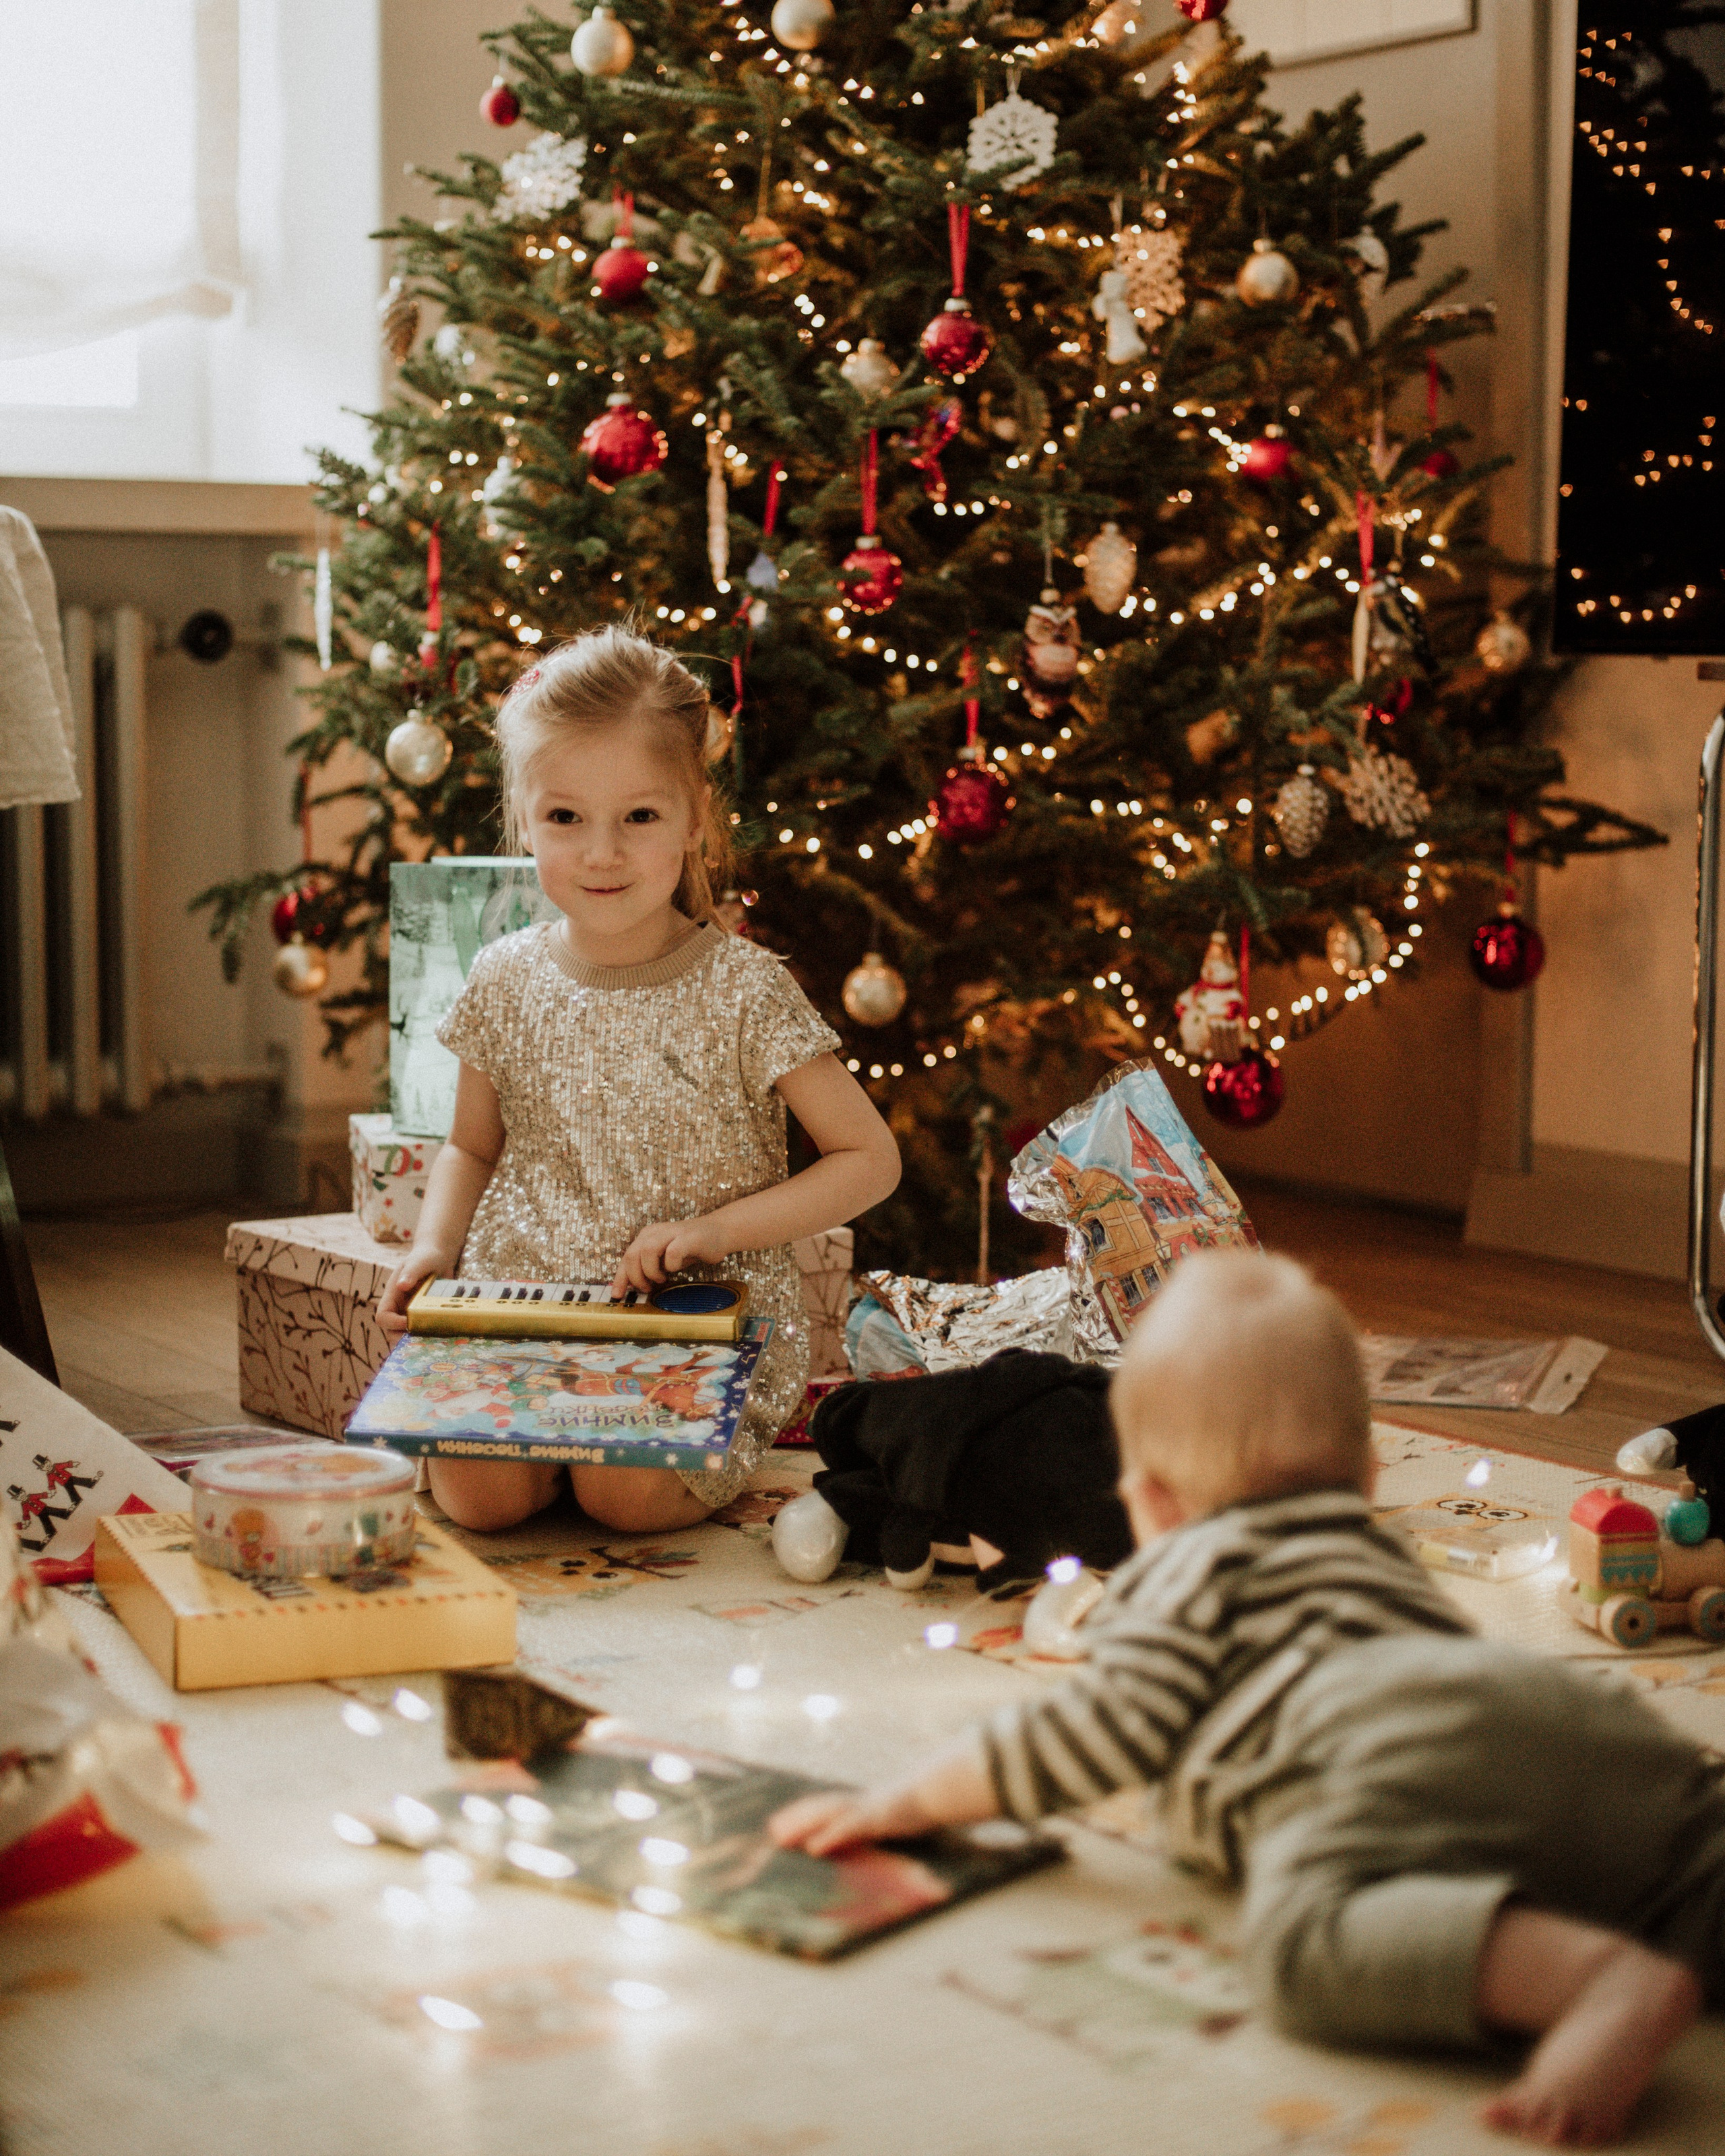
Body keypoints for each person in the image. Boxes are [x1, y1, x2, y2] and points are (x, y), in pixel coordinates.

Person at [772, 1250, 1718, 2148]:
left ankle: (1597, 1980)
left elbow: (1078, 1736)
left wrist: (902, 1800)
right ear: (1368, 1478)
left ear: (1152, 1505)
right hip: (1538, 1710)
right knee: (1687, 1854)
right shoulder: (1373, 1550)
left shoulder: (1183, 1574)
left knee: (1300, 1943)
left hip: (1365, 1769)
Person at [379, 627, 900, 1535]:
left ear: (696, 817)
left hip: (693, 1325)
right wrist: (432, 1249)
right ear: (524, 819)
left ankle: (603, 1462)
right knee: (478, 1498)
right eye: (566, 819)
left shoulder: (744, 987)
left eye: (641, 818)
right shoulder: (503, 976)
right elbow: (471, 1144)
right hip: (530, 1308)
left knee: (624, 1497)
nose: (602, 854)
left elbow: (868, 1159)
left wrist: (715, 1231)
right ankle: (546, 1461)